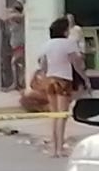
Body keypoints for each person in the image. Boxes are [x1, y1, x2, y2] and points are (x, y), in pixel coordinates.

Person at [35, 16, 88, 158]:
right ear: (64, 31)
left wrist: (44, 76)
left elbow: (43, 65)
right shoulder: (68, 44)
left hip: (50, 80)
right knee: (62, 115)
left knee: (54, 115)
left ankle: (54, 148)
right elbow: (76, 64)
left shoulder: (47, 44)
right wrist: (85, 79)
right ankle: (60, 148)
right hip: (64, 80)